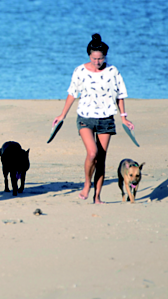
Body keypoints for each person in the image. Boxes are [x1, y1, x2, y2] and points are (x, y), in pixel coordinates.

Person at [53, 34, 133, 204]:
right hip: (85, 117)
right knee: (92, 153)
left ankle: (97, 197)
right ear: (89, 55)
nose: (98, 62)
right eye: (95, 58)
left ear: (105, 56)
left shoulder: (113, 71)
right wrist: (62, 115)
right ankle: (87, 182)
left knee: (101, 160)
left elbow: (120, 96)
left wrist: (124, 118)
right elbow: (72, 93)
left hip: (106, 119)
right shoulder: (80, 71)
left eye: (101, 58)